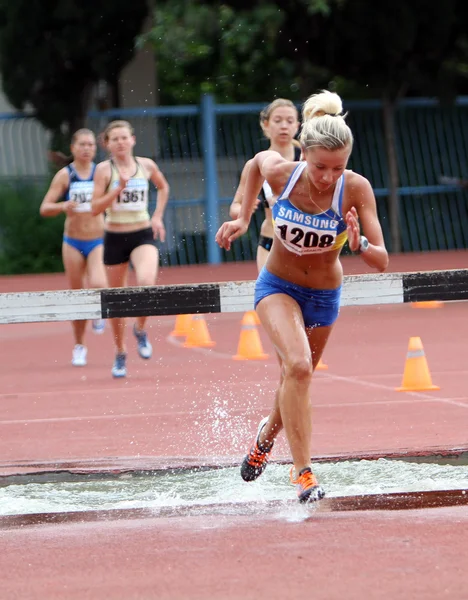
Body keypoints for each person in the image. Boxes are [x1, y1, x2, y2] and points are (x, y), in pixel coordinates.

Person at [216, 90, 389, 504]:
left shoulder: (356, 189)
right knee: (298, 366)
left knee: (297, 378)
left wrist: (360, 243)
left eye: (337, 168)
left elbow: (381, 260)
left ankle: (263, 439)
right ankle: (304, 474)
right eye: (319, 167)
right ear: (303, 155)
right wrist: (243, 216)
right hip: (277, 285)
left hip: (324, 295)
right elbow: (255, 164)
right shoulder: (284, 173)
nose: (328, 177)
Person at [91, 120, 170, 378]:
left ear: (133, 140)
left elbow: (163, 186)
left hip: (142, 233)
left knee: (147, 283)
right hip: (114, 237)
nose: (120, 143)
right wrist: (117, 190)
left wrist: (157, 216)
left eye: (124, 138)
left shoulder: (146, 165)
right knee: (116, 300)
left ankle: (140, 329)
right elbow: (95, 208)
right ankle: (120, 351)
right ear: (107, 144)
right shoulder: (104, 170)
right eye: (115, 139)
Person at [40, 128, 108, 367]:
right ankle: (79, 345)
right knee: (77, 295)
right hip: (73, 241)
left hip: (98, 238)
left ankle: (99, 313)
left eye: (91, 144)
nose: (87, 148)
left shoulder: (102, 172)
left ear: (95, 148)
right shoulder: (65, 175)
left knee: (99, 283)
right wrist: (62, 206)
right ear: (73, 148)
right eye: (82, 144)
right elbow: (45, 207)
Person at [229, 99, 301, 272]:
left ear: (297, 126)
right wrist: (243, 210)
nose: (284, 126)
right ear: (266, 125)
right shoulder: (255, 165)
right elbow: (235, 207)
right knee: (270, 297)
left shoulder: (309, 160)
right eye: (278, 121)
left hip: (306, 244)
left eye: (290, 121)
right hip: (271, 242)